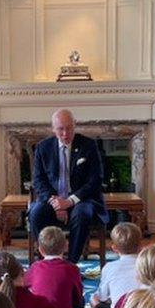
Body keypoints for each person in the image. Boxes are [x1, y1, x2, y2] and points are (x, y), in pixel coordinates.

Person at [28, 109, 108, 263]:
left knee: (82, 214)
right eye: (60, 129)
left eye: (69, 128)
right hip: (52, 199)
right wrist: (56, 203)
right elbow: (38, 180)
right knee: (36, 213)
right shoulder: (43, 147)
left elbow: (95, 180)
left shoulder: (88, 145)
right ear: (53, 129)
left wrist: (69, 201)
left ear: (75, 125)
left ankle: (71, 263)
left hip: (81, 199)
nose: (65, 133)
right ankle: (48, 259)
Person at [25, 226, 84, 308]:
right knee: (82, 301)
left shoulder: (35, 267)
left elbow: (24, 286)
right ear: (66, 246)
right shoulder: (72, 269)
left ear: (40, 249)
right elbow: (78, 296)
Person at [90, 222, 142, 308]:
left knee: (93, 298)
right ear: (140, 246)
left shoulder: (109, 267)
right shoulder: (148, 264)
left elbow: (101, 296)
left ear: (114, 248)